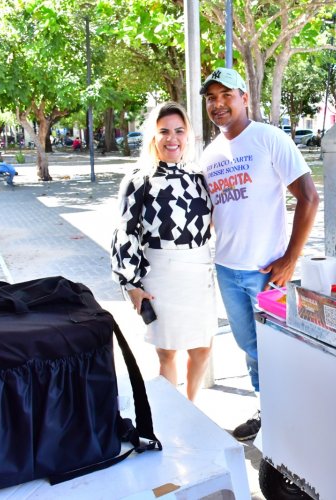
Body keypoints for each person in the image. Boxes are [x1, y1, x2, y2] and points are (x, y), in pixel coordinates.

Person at [199, 67, 320, 440]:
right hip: (227, 270)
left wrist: (290, 259)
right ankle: (268, 408)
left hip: (268, 271)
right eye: (212, 98)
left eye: (226, 96)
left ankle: (293, 415)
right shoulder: (210, 153)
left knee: (279, 344)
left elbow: (309, 198)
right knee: (249, 345)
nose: (219, 105)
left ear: (245, 98)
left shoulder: (268, 138)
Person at [111, 101, 216, 401]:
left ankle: (191, 407)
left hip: (199, 272)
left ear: (189, 136)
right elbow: (125, 231)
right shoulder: (139, 179)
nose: (173, 138)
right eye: (164, 131)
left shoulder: (198, 177)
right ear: (153, 137)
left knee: (203, 348)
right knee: (167, 353)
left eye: (179, 131)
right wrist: (130, 284)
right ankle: (172, 414)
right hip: (161, 275)